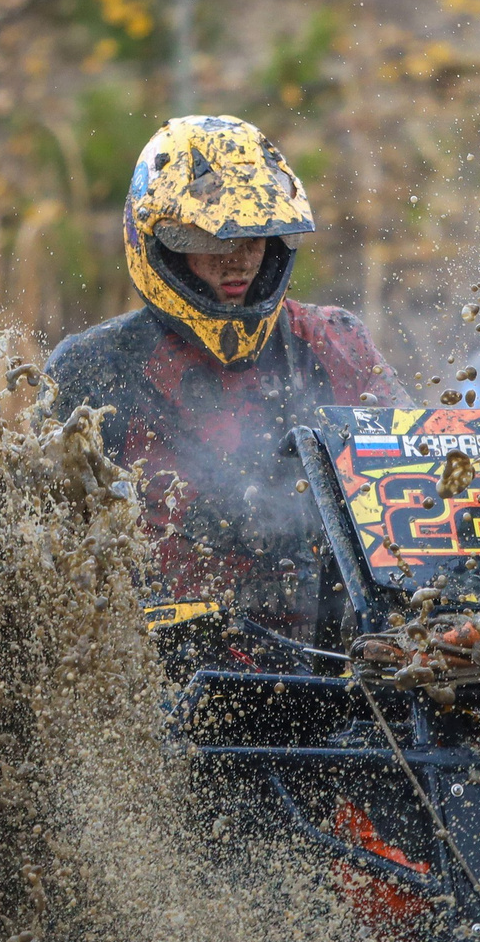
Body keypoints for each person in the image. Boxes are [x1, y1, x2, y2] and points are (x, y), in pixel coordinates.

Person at [45, 115, 412, 642]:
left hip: (335, 659)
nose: (237, 258)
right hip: (169, 665)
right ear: (163, 243)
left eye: (256, 236)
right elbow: (42, 555)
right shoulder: (94, 368)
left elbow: (422, 487)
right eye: (212, 238)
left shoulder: (336, 341)